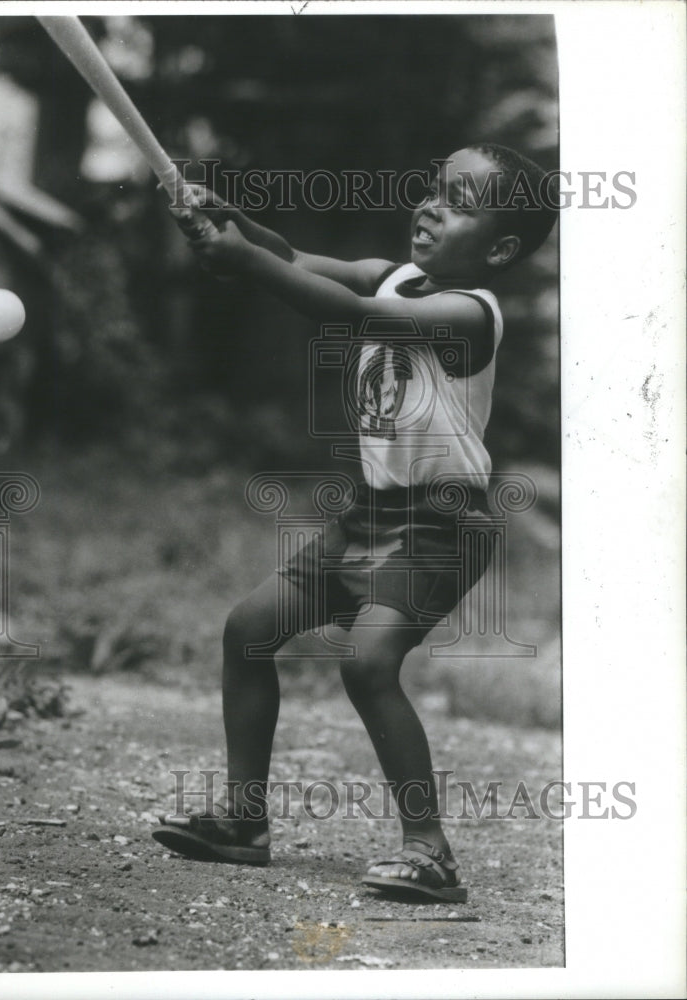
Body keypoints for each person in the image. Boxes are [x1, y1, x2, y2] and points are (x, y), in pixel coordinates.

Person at [152, 144, 558, 902]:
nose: (432, 207)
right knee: (248, 629)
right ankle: (243, 823)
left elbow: (349, 310)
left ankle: (429, 852)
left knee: (368, 664)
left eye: (460, 202)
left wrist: (243, 262)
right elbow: (293, 256)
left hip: (444, 523)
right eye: (435, 190)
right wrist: (226, 220)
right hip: (370, 510)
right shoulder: (394, 273)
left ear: (501, 247)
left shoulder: (468, 314)